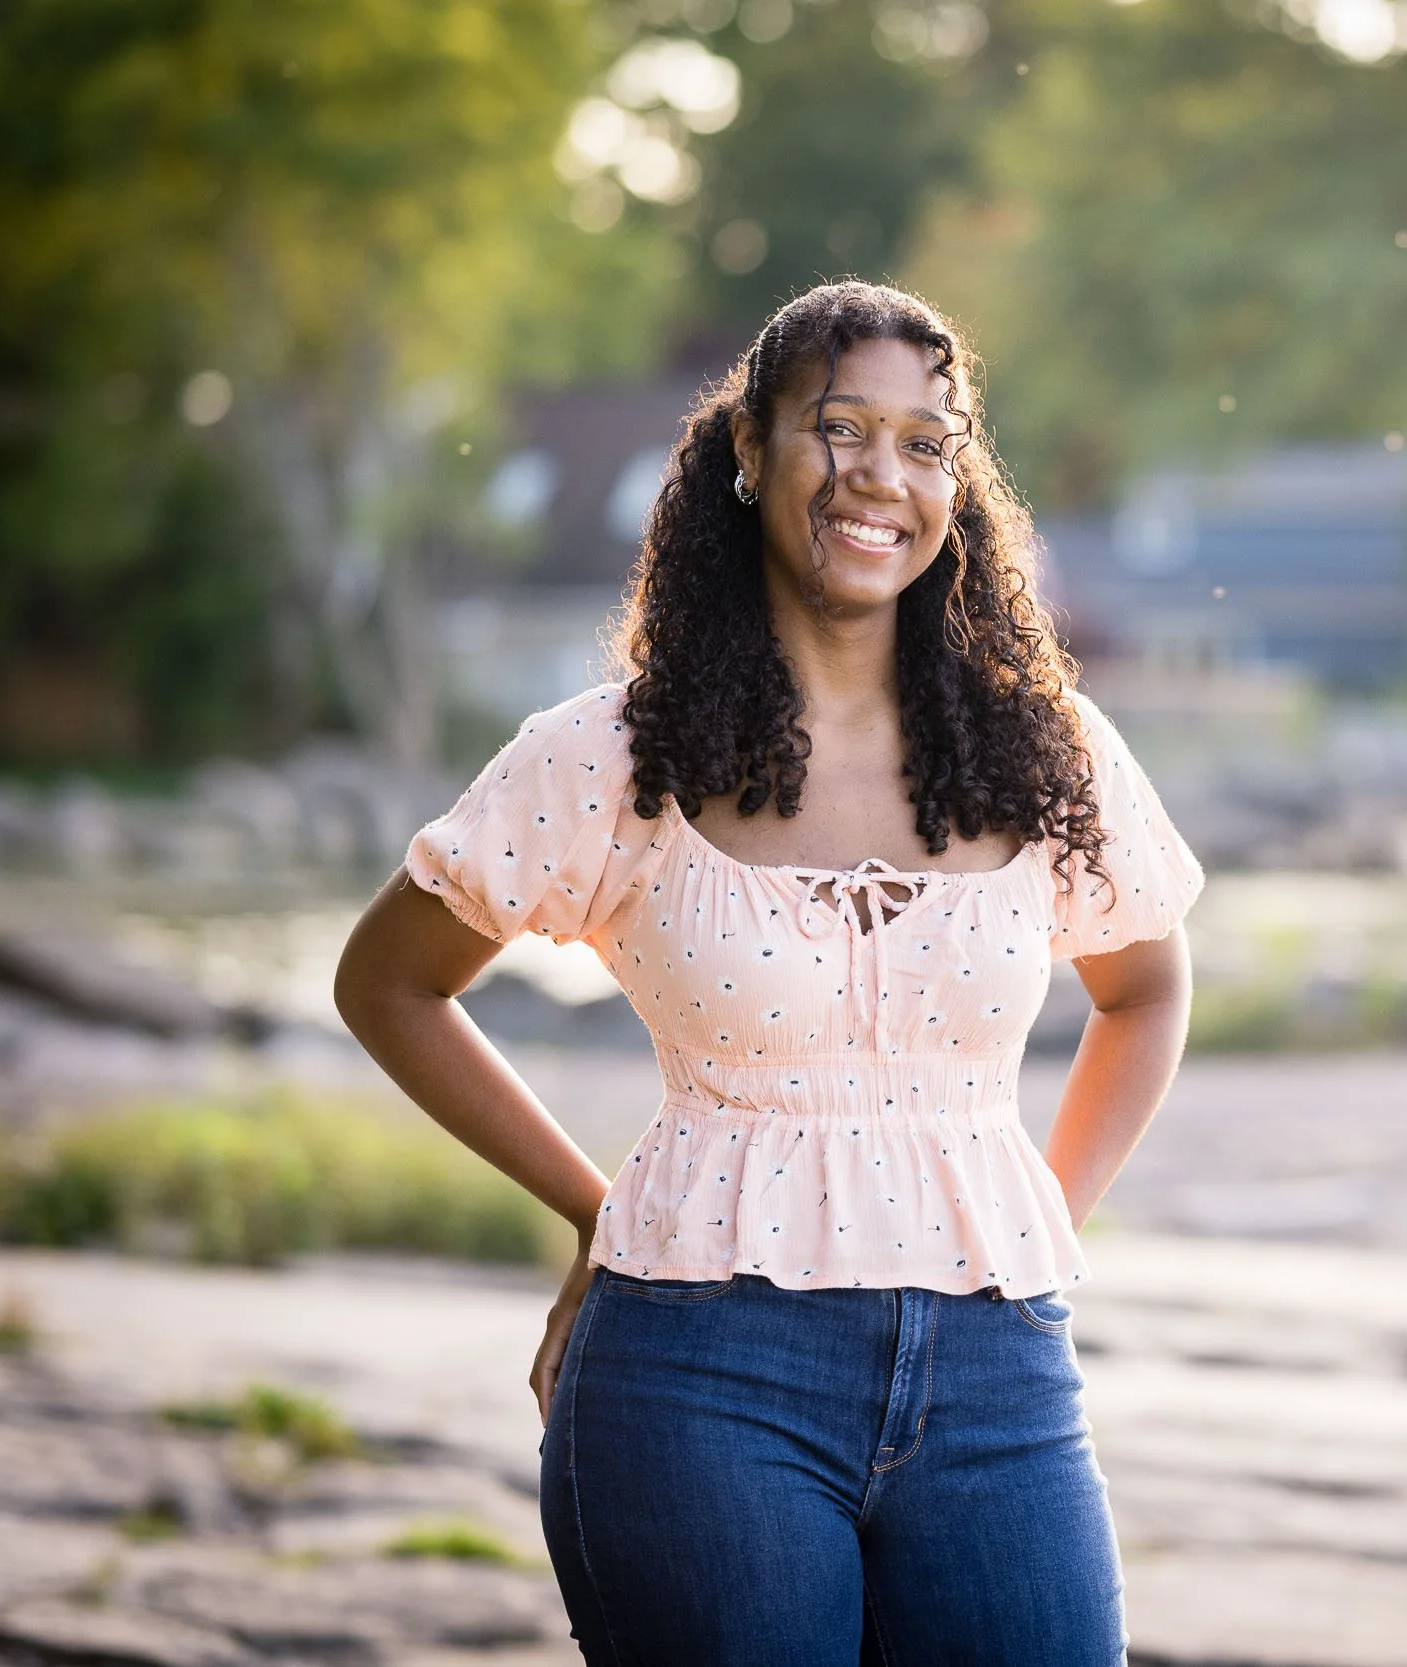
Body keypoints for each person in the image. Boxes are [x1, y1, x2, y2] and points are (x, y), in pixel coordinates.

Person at [333, 280, 1202, 1665]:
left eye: (928, 441)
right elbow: (388, 980)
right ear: (750, 449)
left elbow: (1145, 986)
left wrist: (1046, 1213)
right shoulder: (614, 753)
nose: (882, 474)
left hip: (999, 1379)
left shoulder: (1050, 749)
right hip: (695, 1372)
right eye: (840, 426)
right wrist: (591, 1209)